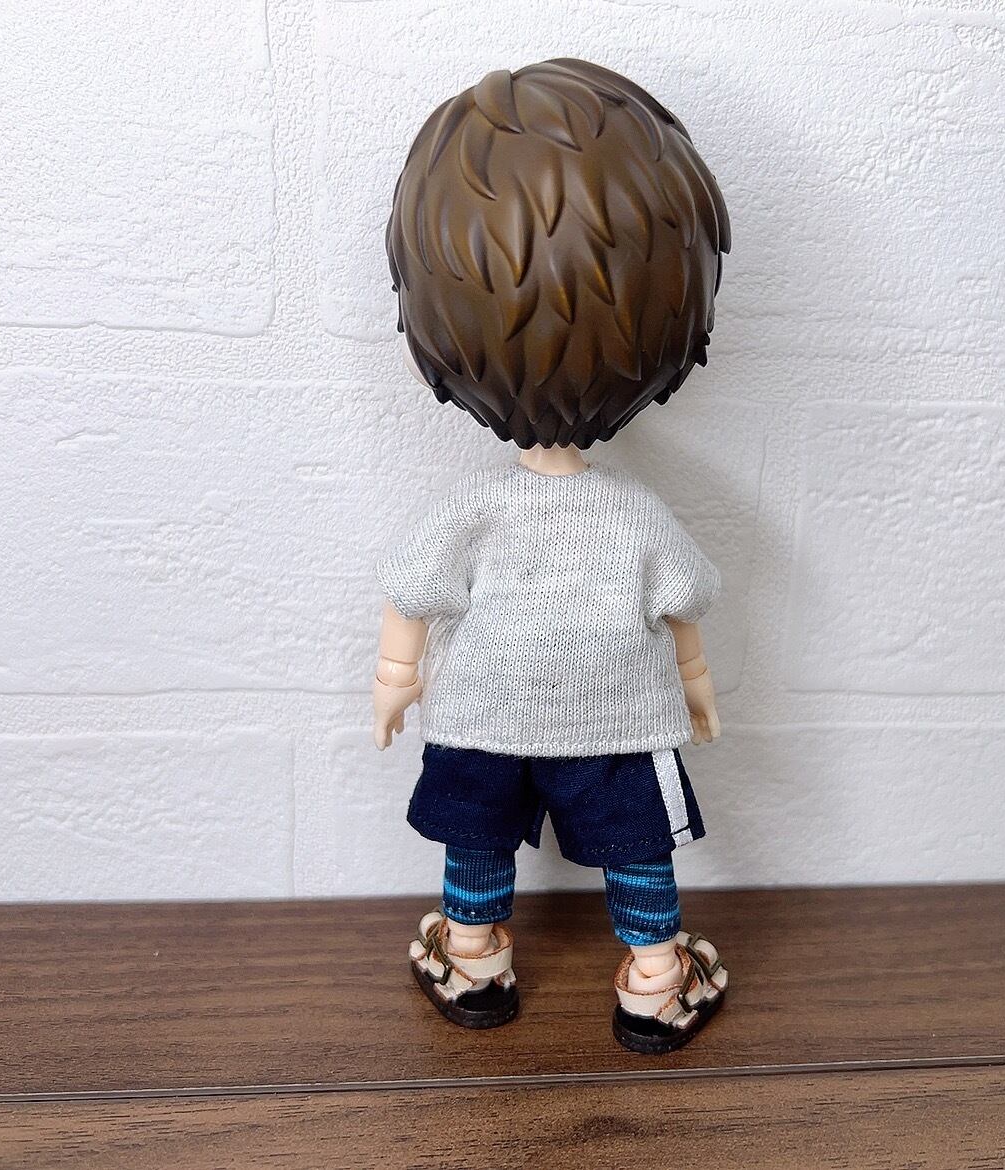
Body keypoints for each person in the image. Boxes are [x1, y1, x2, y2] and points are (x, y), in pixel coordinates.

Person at [373, 58, 731, 1053]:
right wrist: (696, 689)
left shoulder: (472, 513)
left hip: (483, 717)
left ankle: (474, 959)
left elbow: (410, 594)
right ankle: (655, 979)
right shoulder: (637, 514)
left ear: (439, 329)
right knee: (638, 848)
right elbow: (685, 606)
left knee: (477, 838)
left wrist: (396, 680)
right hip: (618, 720)